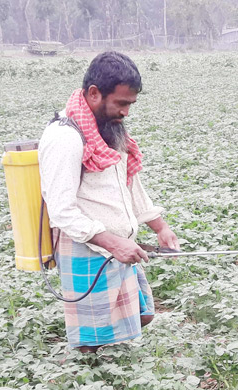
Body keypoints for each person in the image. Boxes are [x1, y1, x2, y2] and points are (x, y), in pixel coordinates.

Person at [39, 51, 179, 353]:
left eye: (131, 104)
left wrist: (159, 226)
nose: (127, 112)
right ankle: (85, 388)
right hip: (86, 248)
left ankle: (109, 381)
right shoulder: (65, 138)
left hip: (117, 246)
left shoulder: (108, 126)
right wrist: (112, 243)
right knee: (91, 341)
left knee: (143, 315)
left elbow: (128, 182)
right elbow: (61, 211)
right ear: (94, 94)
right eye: (122, 103)